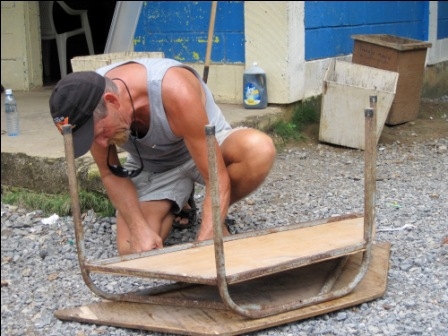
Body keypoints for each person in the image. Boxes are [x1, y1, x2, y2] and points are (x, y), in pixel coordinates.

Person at [49, 58, 276, 255]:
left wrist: (208, 238)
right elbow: (110, 173)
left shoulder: (173, 89)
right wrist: (139, 229)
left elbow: (215, 177)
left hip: (205, 152)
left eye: (99, 133)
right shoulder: (88, 103)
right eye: (90, 139)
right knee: (131, 249)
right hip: (154, 166)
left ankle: (214, 214)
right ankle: (178, 200)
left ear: (113, 102)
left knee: (259, 149)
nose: (100, 144)